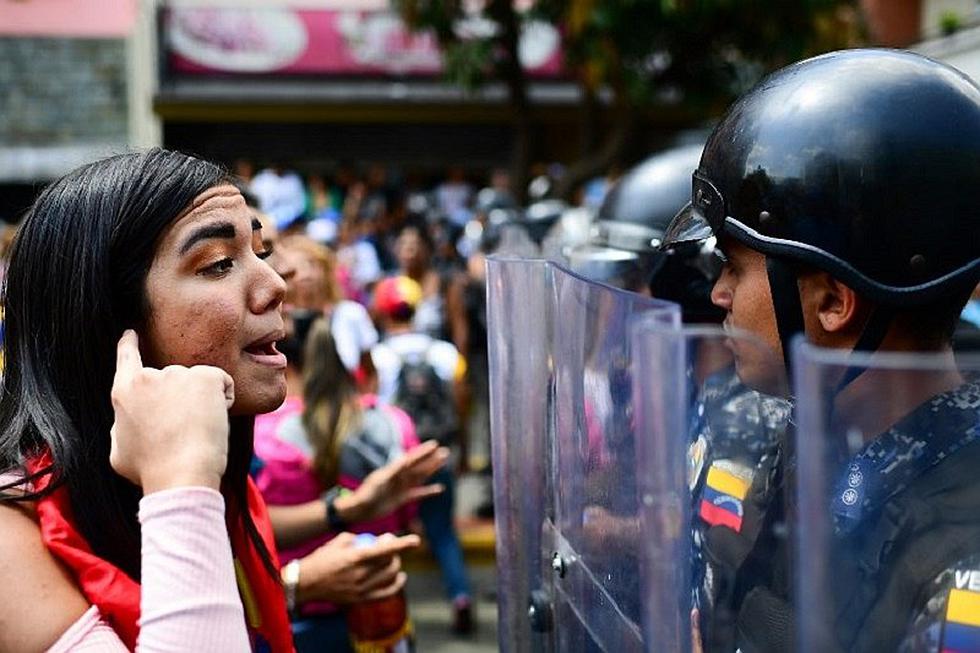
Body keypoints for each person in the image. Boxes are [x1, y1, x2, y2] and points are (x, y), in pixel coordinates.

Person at [0, 149, 419, 651]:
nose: (274, 285)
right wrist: (181, 480)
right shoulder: (11, 540)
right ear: (103, 320)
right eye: (219, 264)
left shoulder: (225, 481)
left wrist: (297, 578)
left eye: (260, 253)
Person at [658, 49, 980, 652]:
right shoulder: (804, 444)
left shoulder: (963, 547)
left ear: (834, 301)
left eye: (733, 265)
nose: (718, 293)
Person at [255, 312, 440, 652]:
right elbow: (406, 511)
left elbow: (255, 528)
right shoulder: (395, 424)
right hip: (382, 614)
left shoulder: (262, 435)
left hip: (295, 623)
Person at [371, 275, 476, 634]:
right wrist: (459, 450)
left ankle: (395, 616)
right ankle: (460, 596)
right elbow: (461, 402)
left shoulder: (378, 357)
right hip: (438, 452)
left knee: (391, 536)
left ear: (382, 313)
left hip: (396, 460)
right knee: (443, 531)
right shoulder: (444, 353)